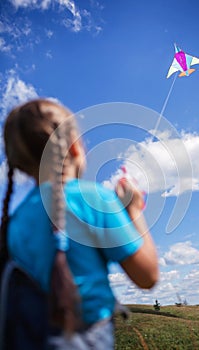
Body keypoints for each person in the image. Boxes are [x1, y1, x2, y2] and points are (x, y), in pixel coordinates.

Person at [0, 99, 159, 349]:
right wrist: (134, 210)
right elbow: (147, 276)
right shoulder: (95, 200)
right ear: (75, 147)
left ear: (18, 164)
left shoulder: (14, 223)